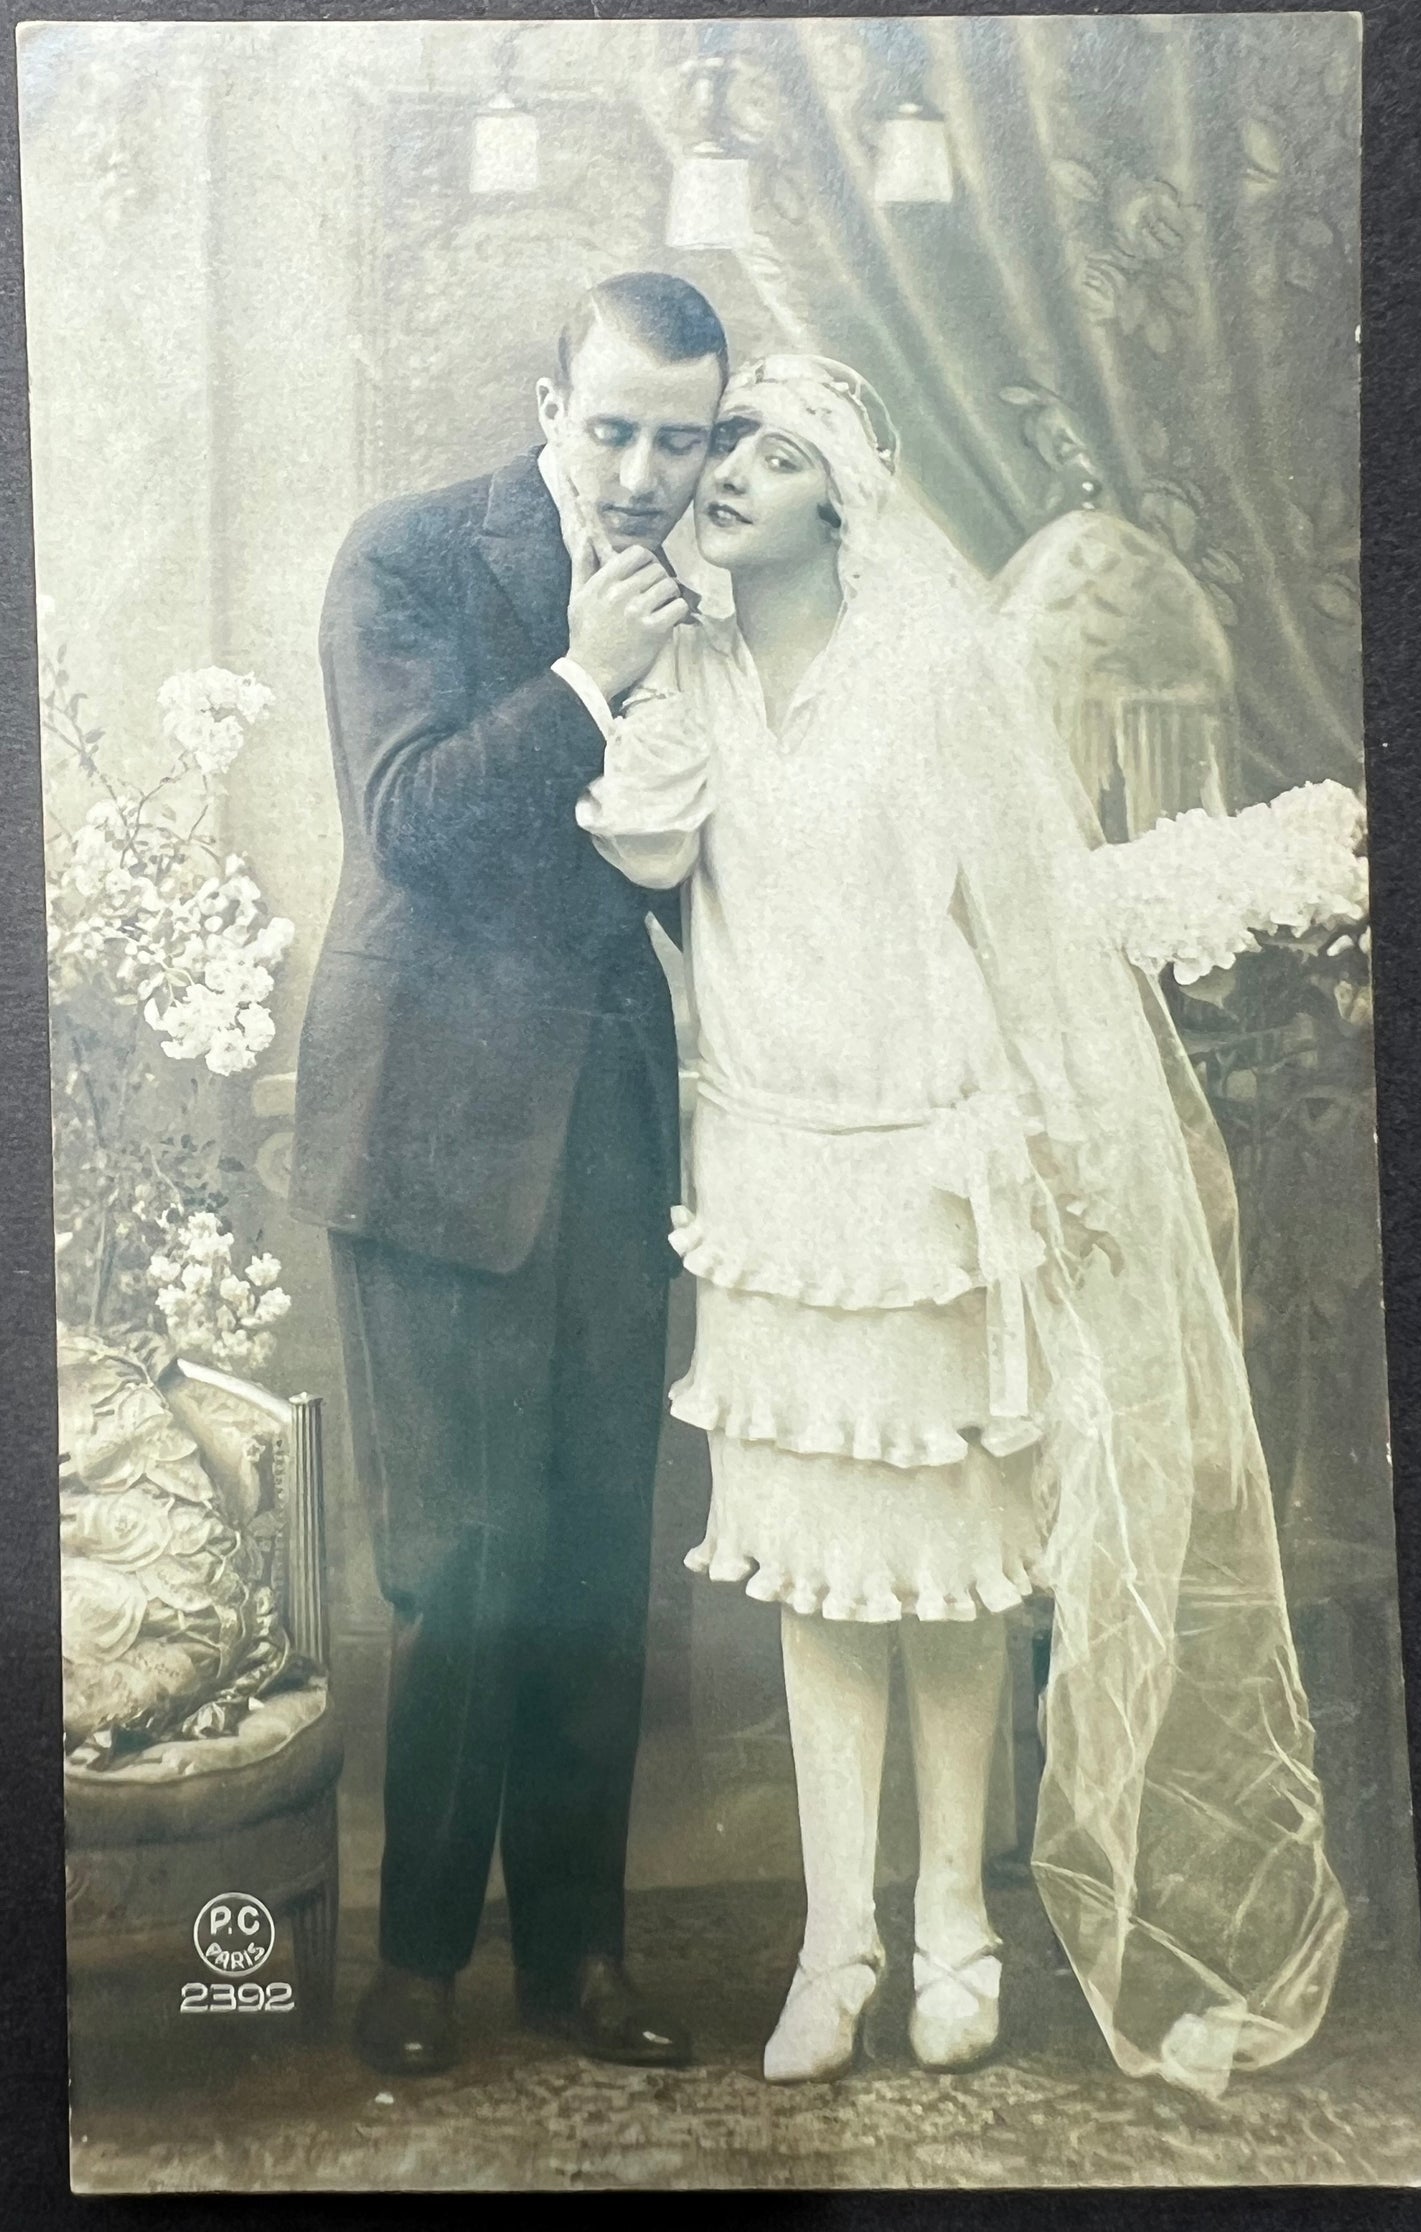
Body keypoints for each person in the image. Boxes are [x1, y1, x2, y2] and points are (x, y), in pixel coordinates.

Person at [575, 355, 1347, 2094]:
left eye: (775, 459)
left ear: (843, 497)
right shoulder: (689, 666)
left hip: (934, 1174)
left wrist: (1064, 1155)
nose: (728, 482)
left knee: (954, 1577)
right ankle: (830, 1949)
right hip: (772, 1185)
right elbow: (637, 850)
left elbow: (1025, 929)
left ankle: (957, 1935)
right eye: (727, 453)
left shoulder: (932, 668)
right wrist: (612, 649)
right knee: (820, 1576)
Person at [289, 272, 728, 2075]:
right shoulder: (404, 556)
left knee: (589, 1565)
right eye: (613, 427)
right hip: (432, 1126)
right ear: (551, 404)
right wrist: (584, 677)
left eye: (679, 440)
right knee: (456, 1568)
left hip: (614, 1122)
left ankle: (580, 1965)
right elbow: (406, 819)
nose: (641, 473)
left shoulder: (706, 591)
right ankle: (416, 1969)